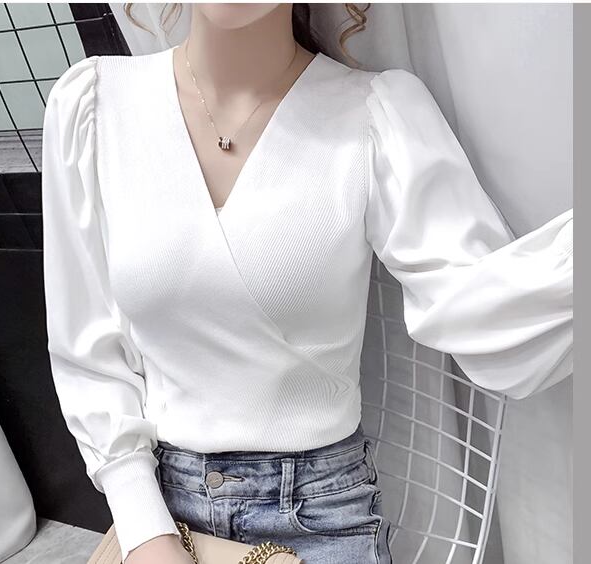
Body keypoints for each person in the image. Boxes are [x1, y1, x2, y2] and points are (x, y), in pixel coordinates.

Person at [40, 3, 573, 564]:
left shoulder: (373, 116)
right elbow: (87, 351)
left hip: (321, 518)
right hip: (157, 509)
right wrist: (145, 530)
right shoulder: (95, 106)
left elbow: (479, 308)